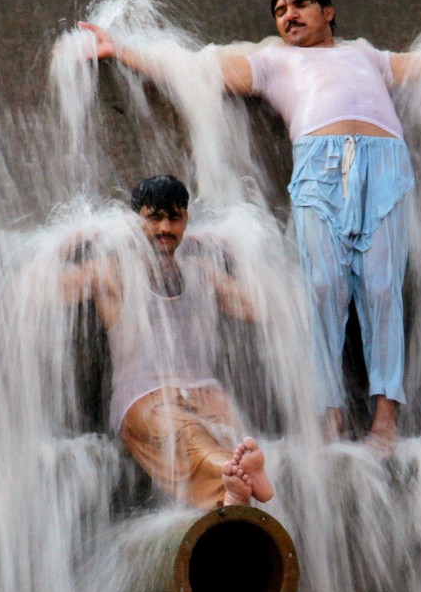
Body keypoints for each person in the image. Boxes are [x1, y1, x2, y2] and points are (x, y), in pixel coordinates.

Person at [79, 0, 421, 450]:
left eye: (300, 5)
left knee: (383, 287)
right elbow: (194, 69)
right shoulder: (273, 61)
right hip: (318, 168)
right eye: (280, 11)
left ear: (328, 12)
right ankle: (330, 416)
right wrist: (121, 50)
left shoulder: (368, 57)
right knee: (322, 287)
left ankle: (385, 420)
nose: (289, 15)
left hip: (385, 166)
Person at [56, 175, 275, 508]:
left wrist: (240, 253)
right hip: (144, 396)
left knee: (233, 434)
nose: (165, 228)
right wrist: (71, 242)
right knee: (188, 436)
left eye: (174, 218)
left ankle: (234, 488)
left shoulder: (202, 271)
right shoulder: (111, 272)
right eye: (154, 218)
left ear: (186, 220)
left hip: (206, 390)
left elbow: (260, 309)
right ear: (136, 222)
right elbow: (36, 292)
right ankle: (231, 476)